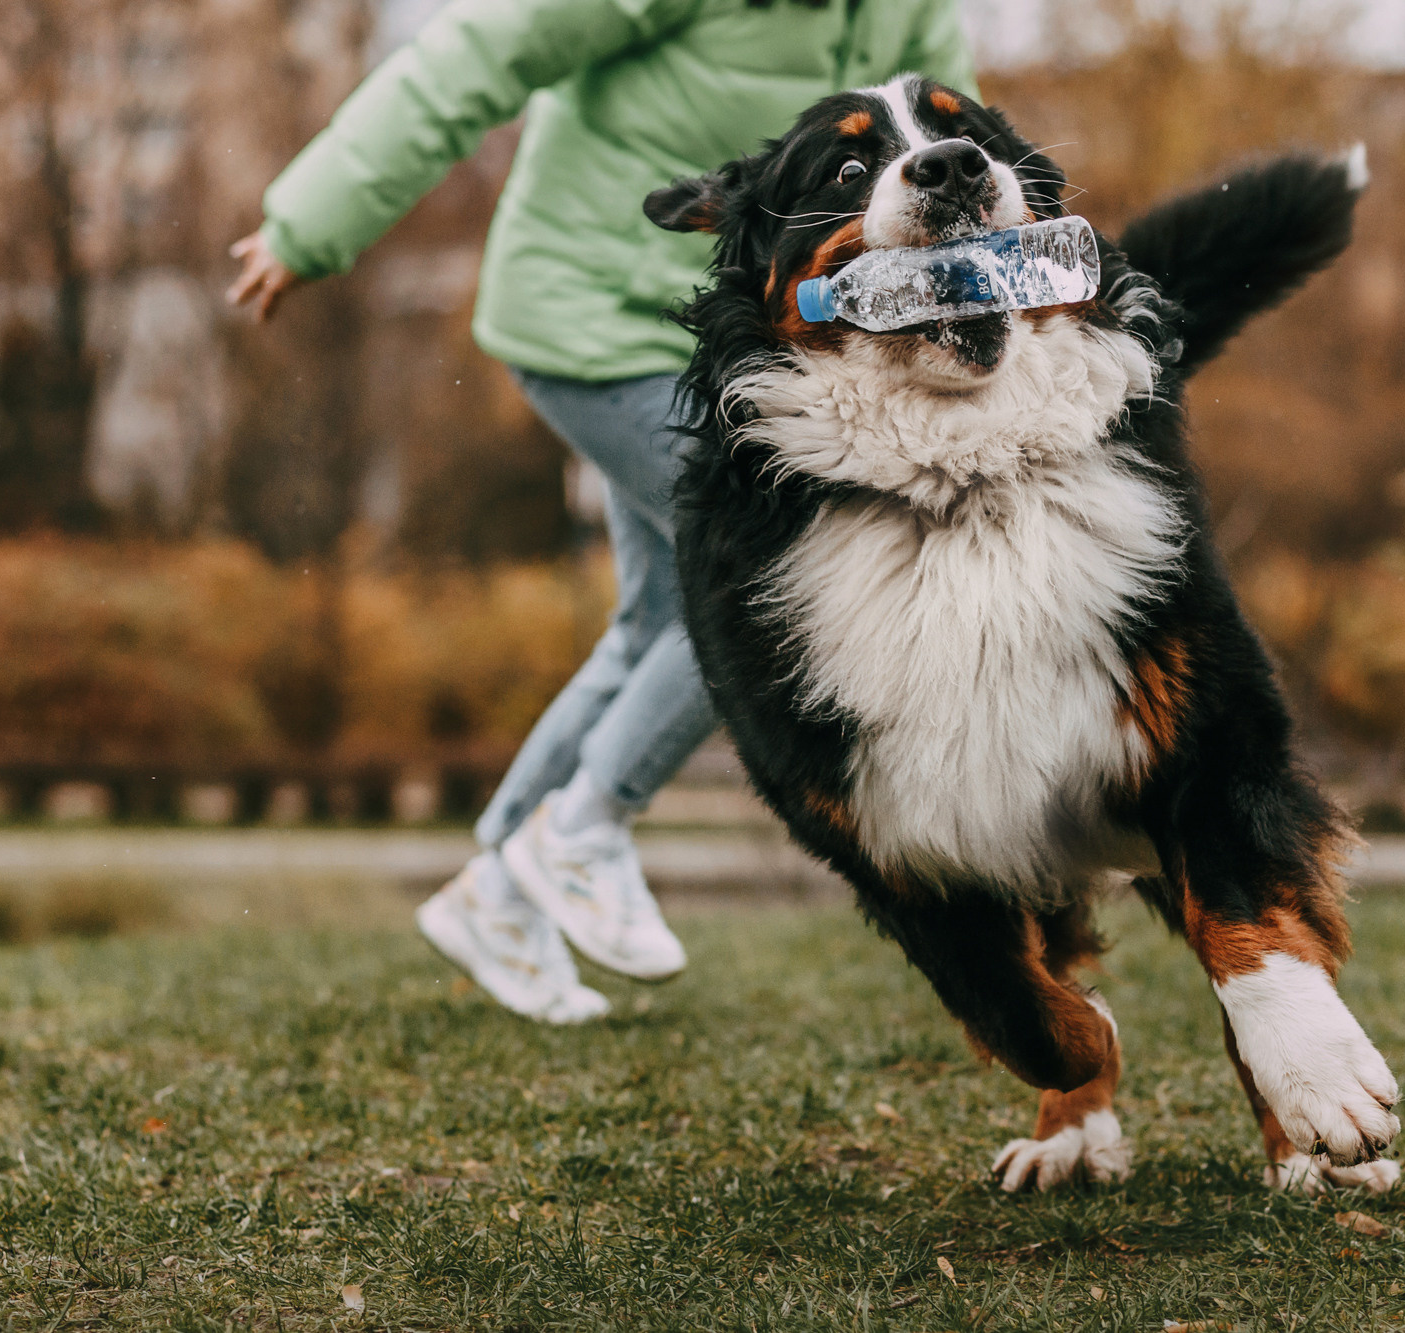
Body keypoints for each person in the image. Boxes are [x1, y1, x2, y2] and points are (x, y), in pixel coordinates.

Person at [229, 0, 978, 1022]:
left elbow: (957, 152)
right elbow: (476, 56)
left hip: (725, 332)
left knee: (661, 617)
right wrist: (308, 224)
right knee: (758, 576)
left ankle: (499, 892)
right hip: (589, 317)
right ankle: (582, 827)